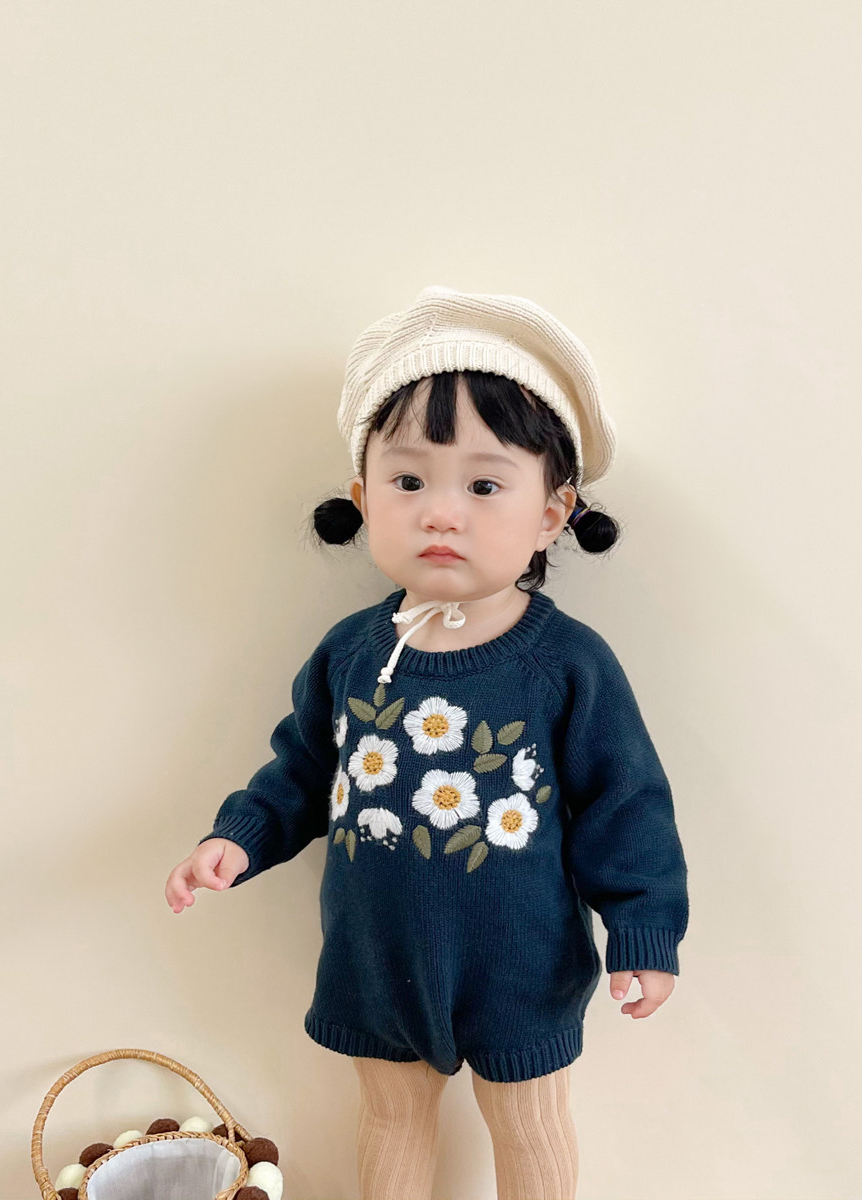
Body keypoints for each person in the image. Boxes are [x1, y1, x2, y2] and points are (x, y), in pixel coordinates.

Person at [165, 285, 690, 1200]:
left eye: (484, 485)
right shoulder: (350, 653)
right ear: (364, 498)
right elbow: (302, 768)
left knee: (530, 1123)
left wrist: (643, 929)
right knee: (389, 1119)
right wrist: (237, 839)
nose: (442, 513)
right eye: (409, 482)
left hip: (523, 964)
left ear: (552, 512)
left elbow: (626, 800)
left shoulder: (566, 664)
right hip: (376, 960)